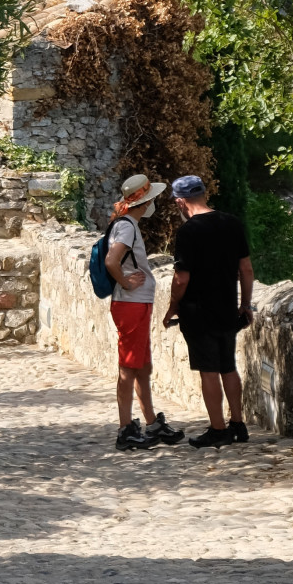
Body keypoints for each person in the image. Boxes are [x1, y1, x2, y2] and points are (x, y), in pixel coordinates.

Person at [164, 174, 255, 448]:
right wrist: (245, 304)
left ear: (181, 202)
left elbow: (182, 278)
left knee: (208, 370)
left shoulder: (188, 231)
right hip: (227, 307)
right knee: (228, 366)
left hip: (198, 310)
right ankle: (238, 424)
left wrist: (172, 307)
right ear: (204, 194)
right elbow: (246, 269)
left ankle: (218, 429)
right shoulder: (232, 223)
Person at [104, 173, 184, 451]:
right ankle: (126, 428)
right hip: (131, 303)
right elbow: (112, 260)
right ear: (145, 201)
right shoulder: (127, 227)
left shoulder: (125, 224)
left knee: (141, 366)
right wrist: (126, 282)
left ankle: (150, 422)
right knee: (128, 367)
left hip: (135, 303)